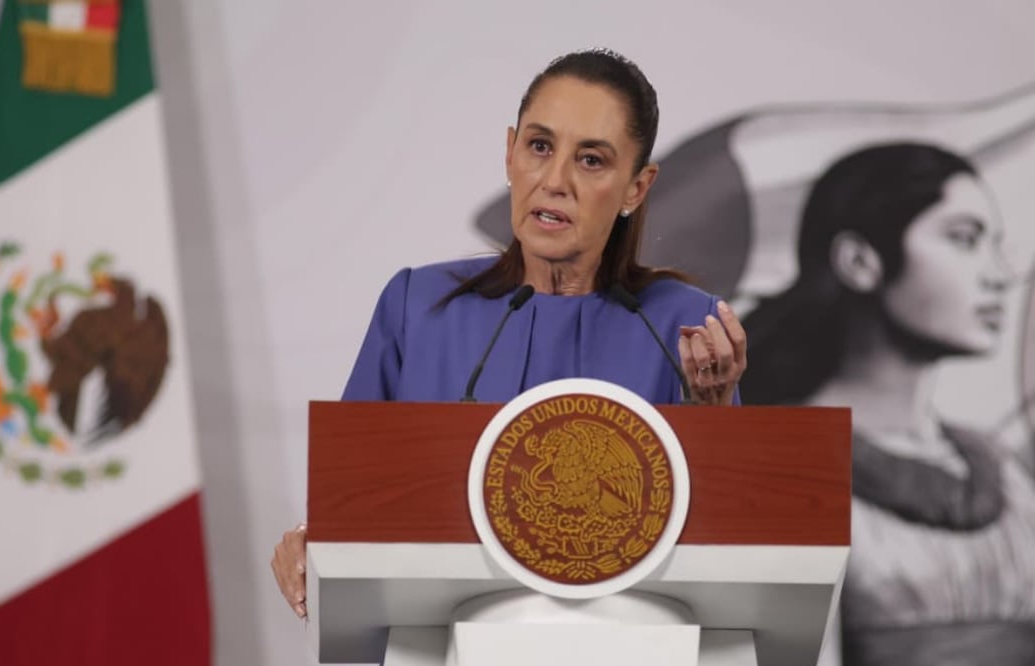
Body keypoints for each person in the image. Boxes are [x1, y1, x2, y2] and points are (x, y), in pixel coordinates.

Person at [270, 48, 748, 620]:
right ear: (509, 151)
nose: (555, 181)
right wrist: (310, 542)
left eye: (591, 160)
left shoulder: (682, 327)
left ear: (636, 189)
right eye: (539, 146)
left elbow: (733, 554)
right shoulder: (417, 307)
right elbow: (350, 514)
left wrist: (713, 413)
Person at [740, 143, 1035, 665]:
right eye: (964, 240)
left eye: (996, 245)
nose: (999, 275)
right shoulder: (779, 470)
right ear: (860, 261)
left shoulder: (1008, 473)